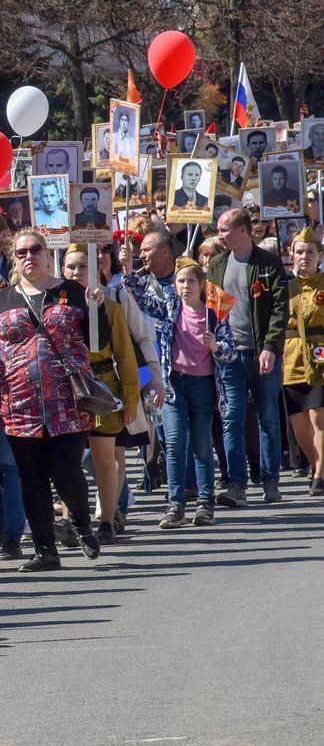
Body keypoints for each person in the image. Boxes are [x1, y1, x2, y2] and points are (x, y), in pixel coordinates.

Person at [0, 232, 99, 571]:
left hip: (67, 404)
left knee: (67, 472)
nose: (28, 256)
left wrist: (99, 305)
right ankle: (46, 549)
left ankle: (81, 521)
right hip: (18, 407)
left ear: (48, 255)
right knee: (30, 479)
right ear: (13, 258)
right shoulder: (0, 301)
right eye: (21, 252)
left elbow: (98, 340)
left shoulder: (73, 293)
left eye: (35, 250)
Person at [143, 257, 234, 528]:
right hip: (174, 385)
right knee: (174, 443)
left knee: (202, 445)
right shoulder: (170, 308)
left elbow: (230, 350)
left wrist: (216, 346)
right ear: (174, 284)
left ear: (201, 283)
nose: (185, 286)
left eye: (191, 281)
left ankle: (205, 503)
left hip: (203, 385)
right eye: (181, 281)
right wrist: (128, 269)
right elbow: (139, 297)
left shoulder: (213, 314)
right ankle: (175, 505)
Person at [207, 208, 287, 506]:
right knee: (232, 418)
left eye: (225, 229)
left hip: (262, 353)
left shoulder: (266, 262)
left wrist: (270, 347)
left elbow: (280, 308)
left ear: (243, 230)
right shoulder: (217, 265)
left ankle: (270, 480)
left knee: (268, 417)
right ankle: (236, 485)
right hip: (230, 355)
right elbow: (215, 310)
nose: (221, 235)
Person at [61, 247, 141, 543]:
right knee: (69, 460)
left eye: (83, 267)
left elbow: (125, 357)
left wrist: (131, 399)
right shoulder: (57, 307)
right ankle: (70, 521)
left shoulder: (110, 308)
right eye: (70, 267)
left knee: (105, 458)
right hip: (67, 389)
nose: (75, 273)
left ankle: (106, 520)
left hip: (102, 385)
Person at [283, 229, 324, 498]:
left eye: (310, 252)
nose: (304, 257)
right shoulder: (284, 286)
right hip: (291, 358)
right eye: (299, 252)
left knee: (317, 417)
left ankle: (320, 474)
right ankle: (315, 465)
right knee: (299, 425)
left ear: (319, 255)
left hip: (321, 354)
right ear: (291, 255)